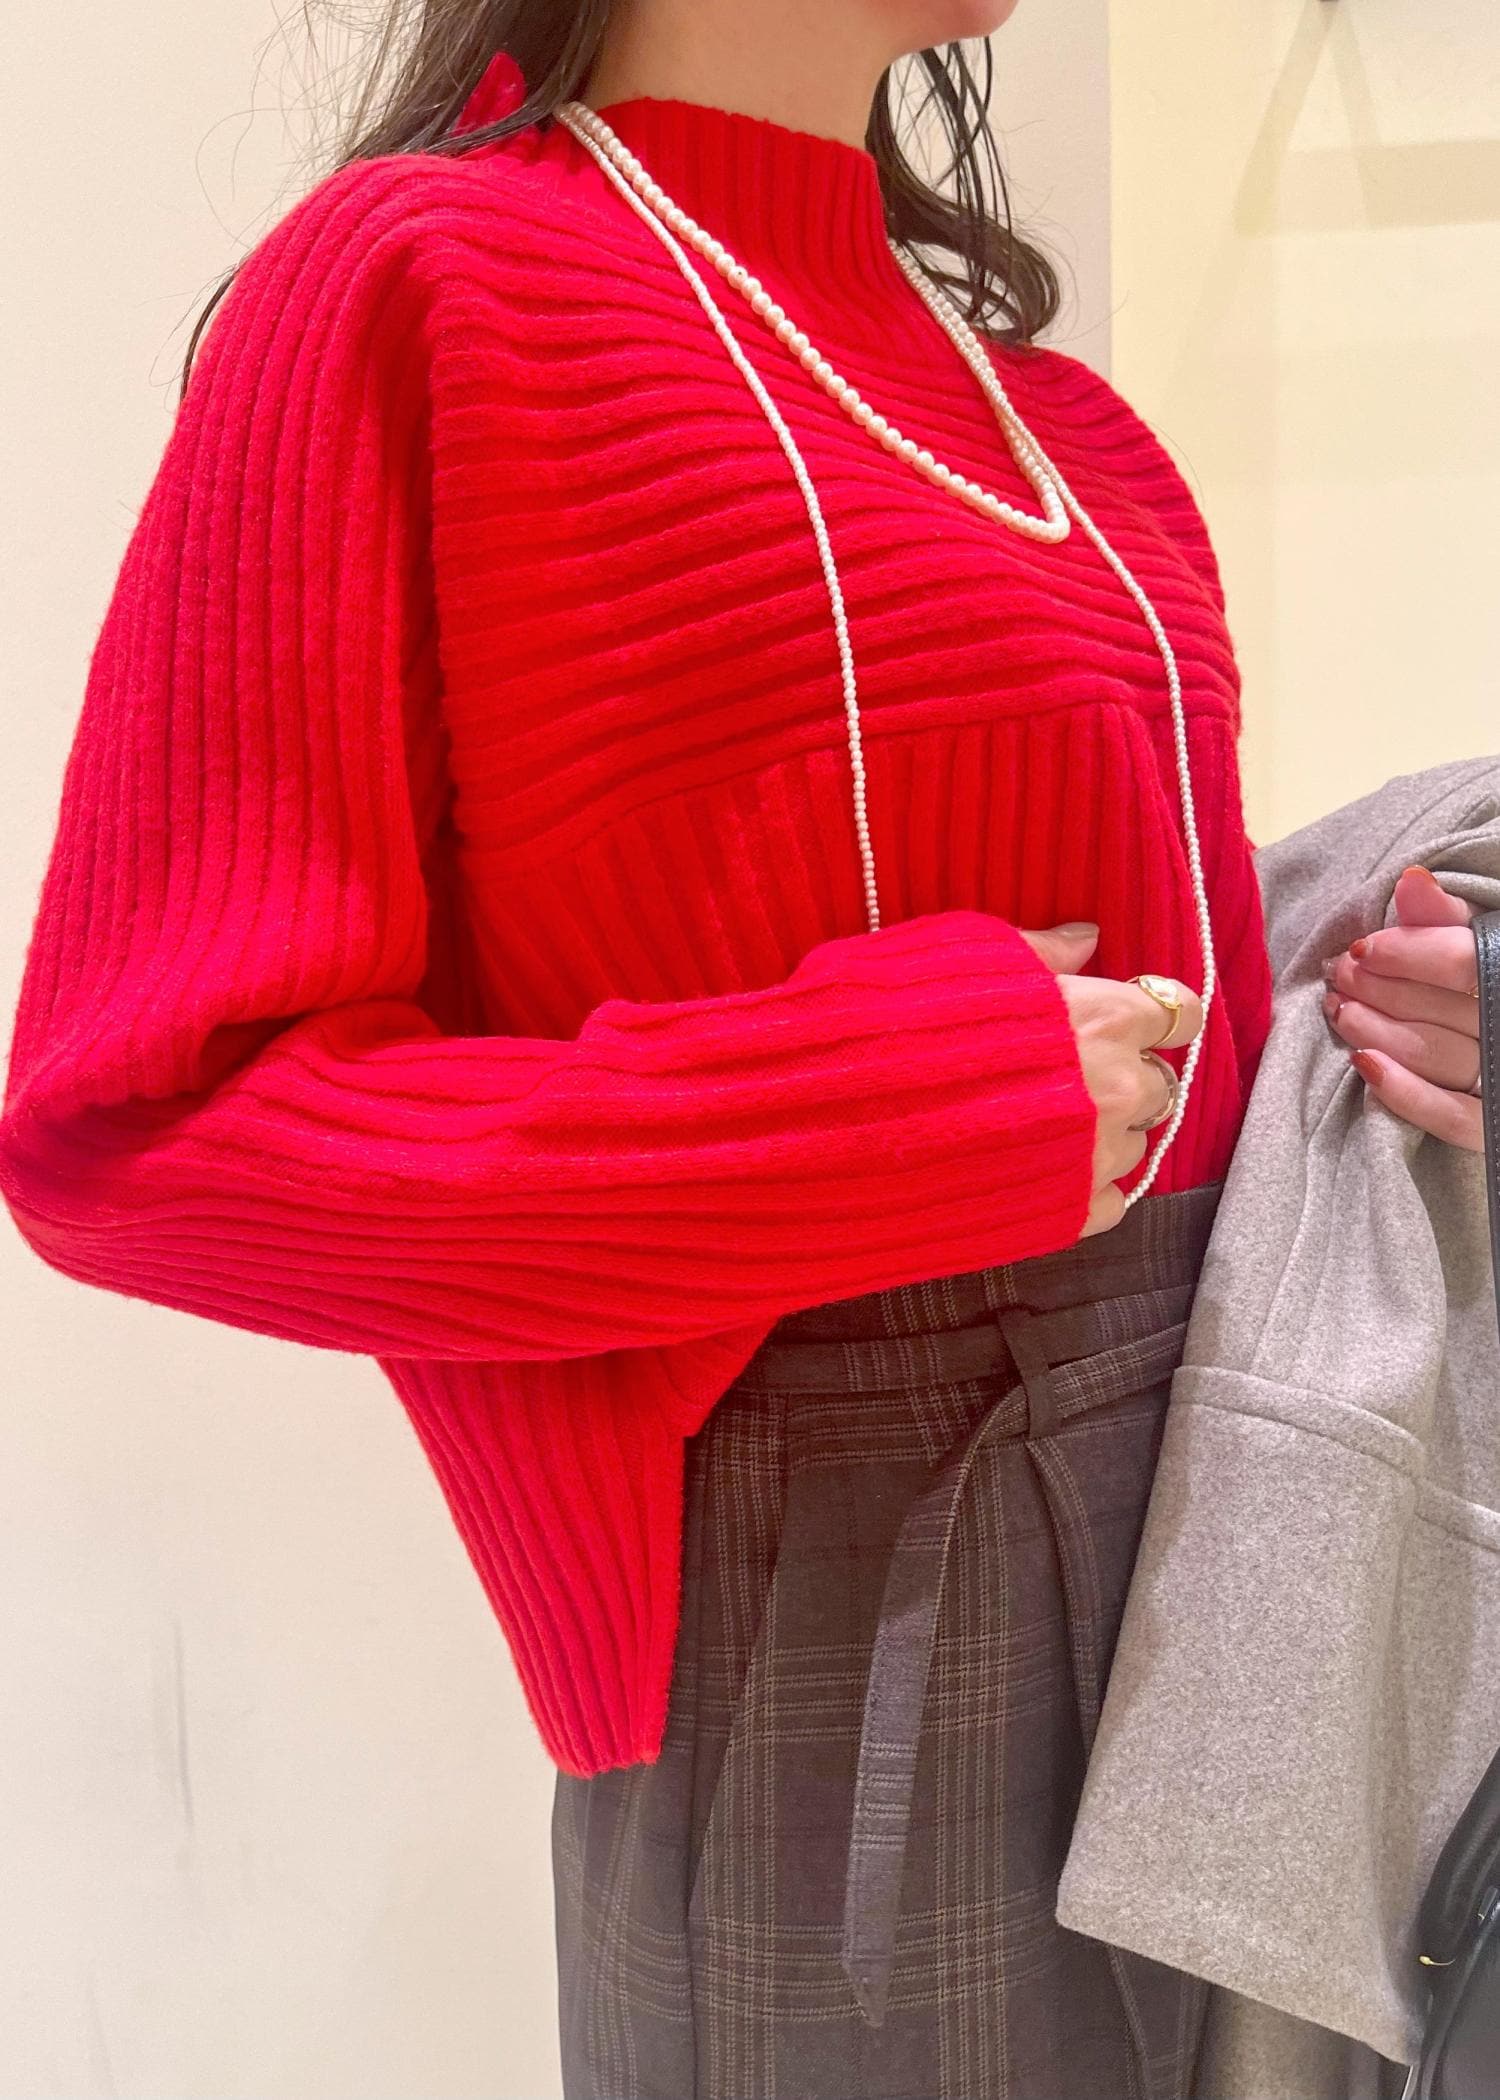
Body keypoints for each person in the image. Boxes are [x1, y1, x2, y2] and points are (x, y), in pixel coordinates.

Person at [0, 2, 1477, 2095]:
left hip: (1255, 1537)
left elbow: (1175, 1002)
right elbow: (138, 1125)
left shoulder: (1060, 419)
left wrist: (1424, 995)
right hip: (861, 1607)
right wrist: (874, 1119)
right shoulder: (422, 291)